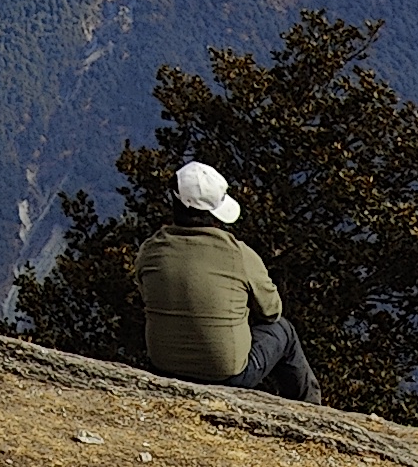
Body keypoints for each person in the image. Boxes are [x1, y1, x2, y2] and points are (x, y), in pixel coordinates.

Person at [132, 163, 322, 401]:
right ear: (215, 214)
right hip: (228, 375)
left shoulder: (150, 251)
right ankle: (309, 408)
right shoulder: (239, 254)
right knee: (283, 330)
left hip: (164, 366)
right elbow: (272, 311)